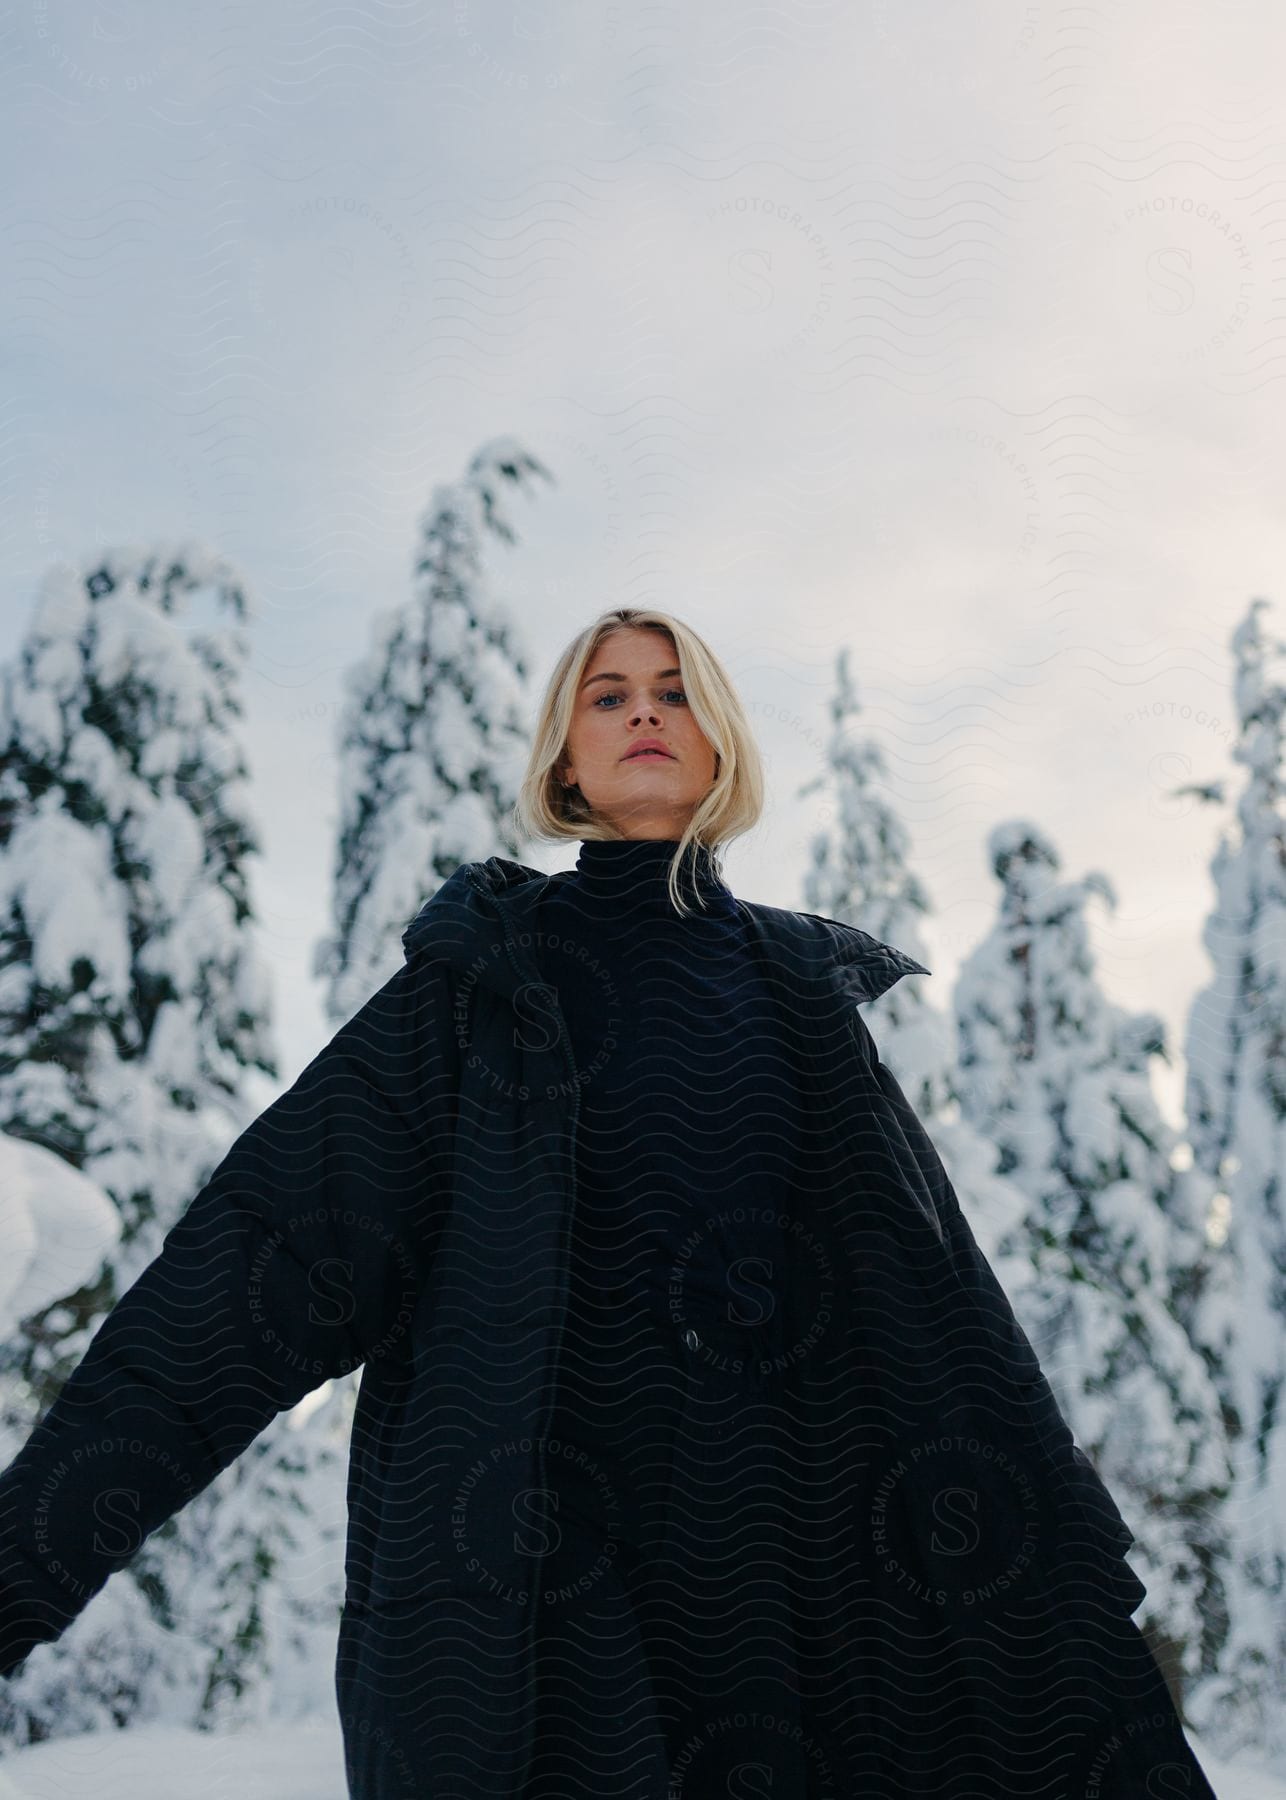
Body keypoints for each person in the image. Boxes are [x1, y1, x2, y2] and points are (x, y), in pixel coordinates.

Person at [0, 607, 1217, 1799]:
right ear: (566, 762)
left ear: (721, 744)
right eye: (607, 693)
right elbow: (253, 1268)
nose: (644, 708)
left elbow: (949, 1321)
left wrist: (1058, 1573)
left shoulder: (802, 1006)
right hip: (543, 1611)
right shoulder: (477, 988)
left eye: (675, 689)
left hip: (789, 1612)